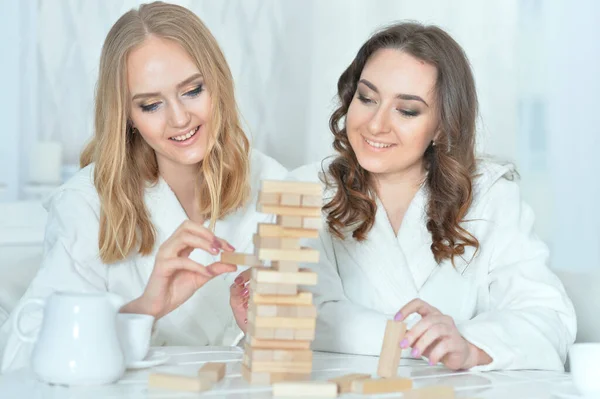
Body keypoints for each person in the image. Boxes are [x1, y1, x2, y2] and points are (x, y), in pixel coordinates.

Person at [234, 22, 576, 371]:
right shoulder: (304, 190)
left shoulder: (491, 196)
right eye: (366, 98)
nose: (376, 124)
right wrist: (428, 341)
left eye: (407, 110)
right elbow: (305, 317)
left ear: (442, 125)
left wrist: (470, 346)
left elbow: (548, 319)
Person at [1, 1, 285, 372]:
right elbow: (18, 362)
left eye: (193, 90)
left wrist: (262, 333)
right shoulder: (87, 204)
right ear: (128, 117)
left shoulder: (273, 183)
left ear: (218, 82)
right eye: (151, 105)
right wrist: (145, 308)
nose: (179, 118)